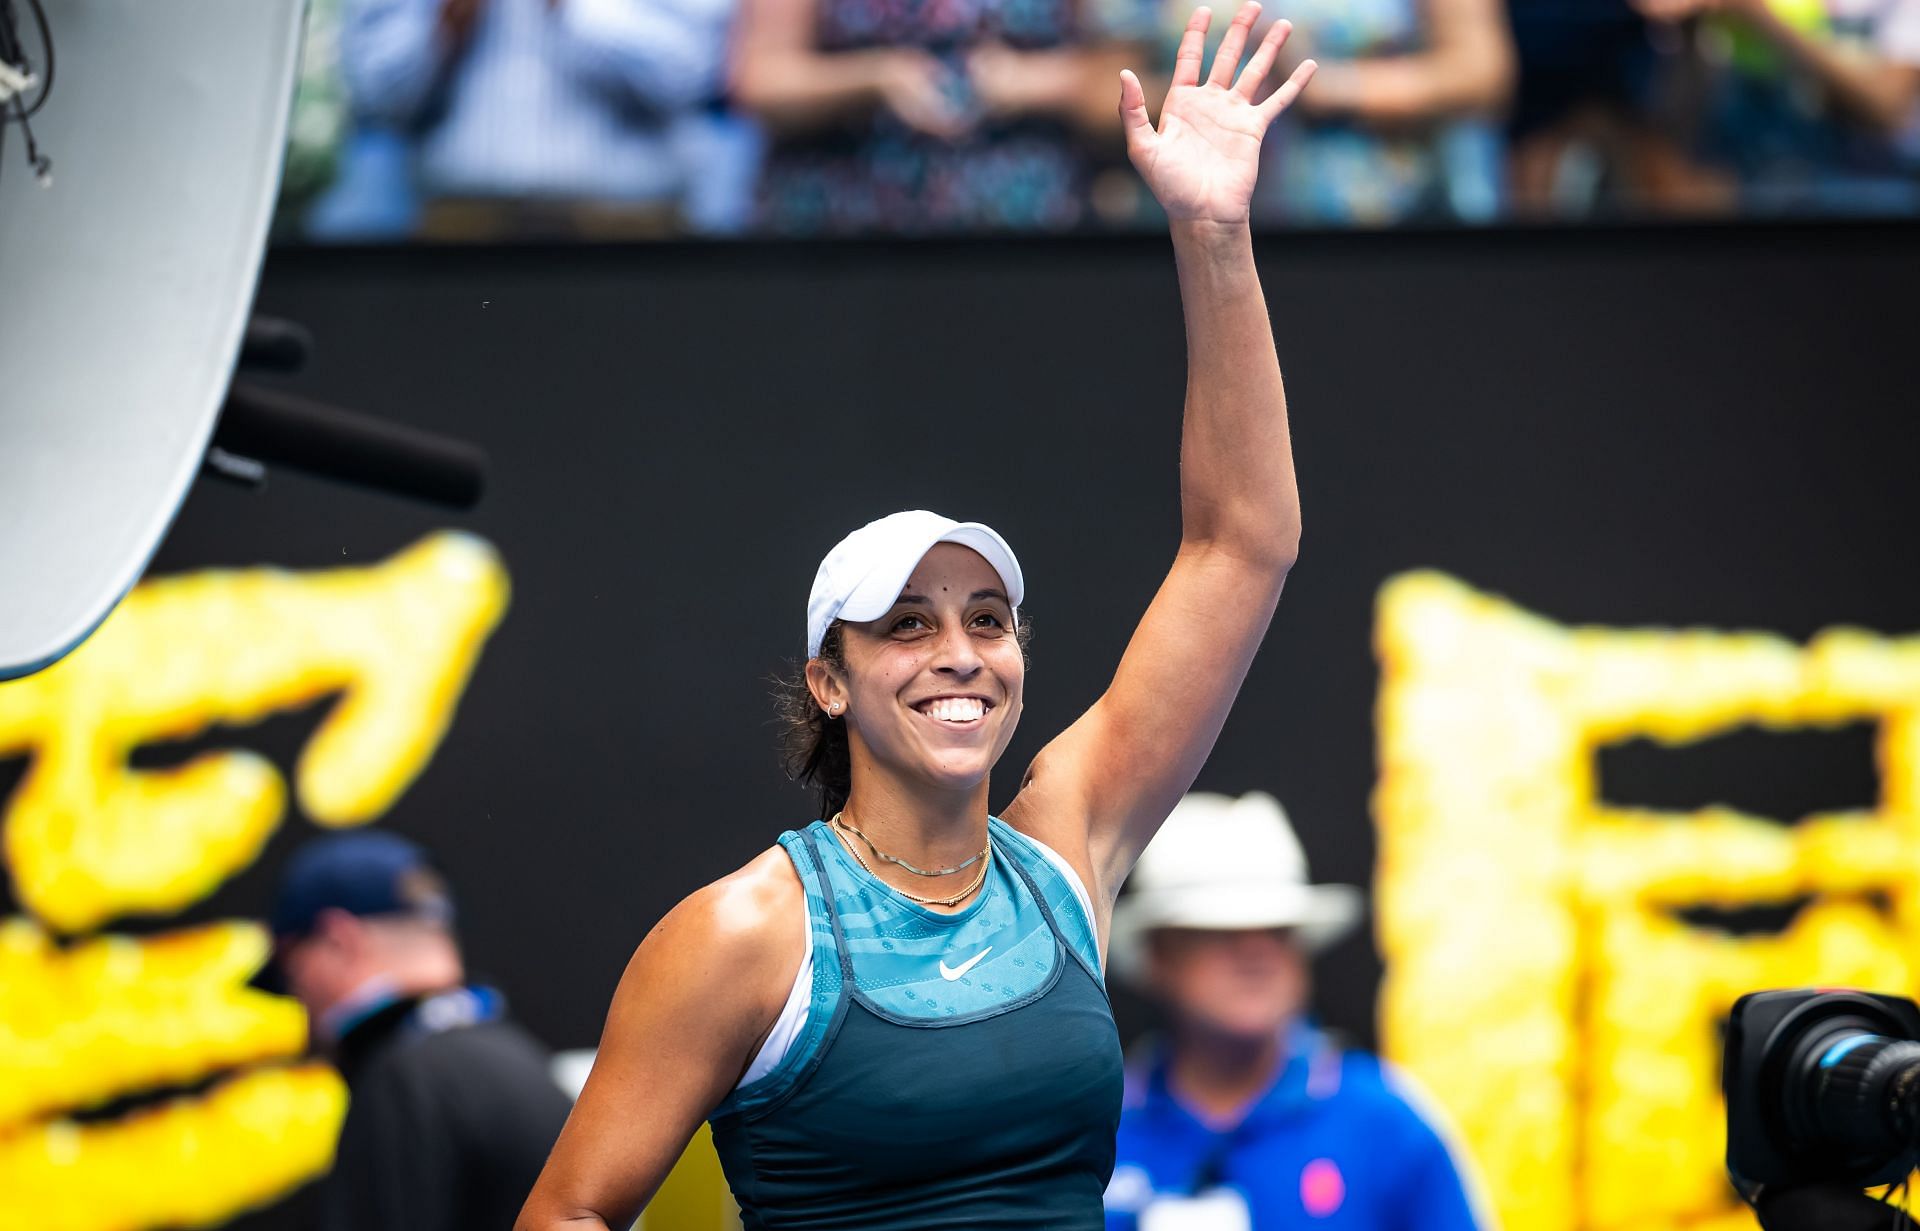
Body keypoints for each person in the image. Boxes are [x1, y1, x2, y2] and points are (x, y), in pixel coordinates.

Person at [516, 6, 1314, 1227]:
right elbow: (566, 1214)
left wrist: (1212, 231)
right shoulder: (745, 932)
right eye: (906, 625)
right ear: (827, 679)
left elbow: (1240, 544)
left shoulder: (1065, 854)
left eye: (989, 619)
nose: (960, 654)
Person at [1102, 791, 1486, 1231]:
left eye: (1278, 931)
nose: (1256, 954)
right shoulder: (1097, 1129)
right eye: (1219, 931)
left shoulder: (1387, 1124)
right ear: (1158, 955)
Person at [260, 830, 574, 1231]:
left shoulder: (403, 1083)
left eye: (292, 970)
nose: (298, 999)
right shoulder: (518, 1058)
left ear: (340, 941)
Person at [727, 0, 1160, 232]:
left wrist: (1030, 82)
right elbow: (760, 82)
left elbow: (1131, 86)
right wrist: (873, 79)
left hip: (1031, 236)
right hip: (841, 241)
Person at [337, 0, 739, 238]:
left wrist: (574, 7)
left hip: (628, 231)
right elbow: (376, 97)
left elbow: (691, 75)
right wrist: (447, 24)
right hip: (461, 233)